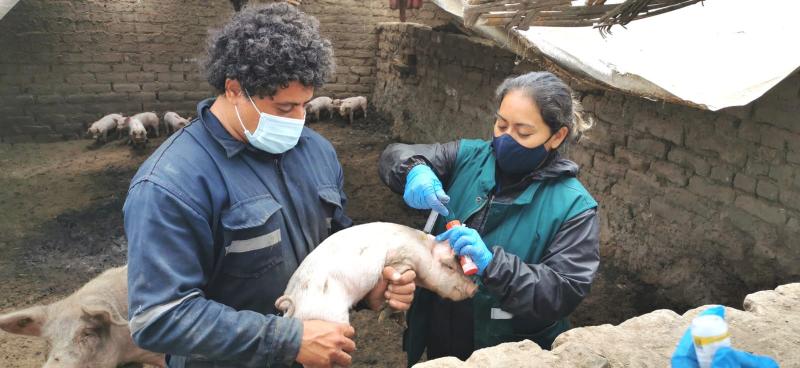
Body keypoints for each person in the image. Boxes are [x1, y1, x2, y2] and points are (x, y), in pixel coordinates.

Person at [123, 4, 415, 367]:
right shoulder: (171, 184)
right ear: (233, 89)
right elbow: (158, 318)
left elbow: (338, 247)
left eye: (304, 106)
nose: (298, 120)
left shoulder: (317, 153)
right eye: (283, 108)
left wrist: (372, 287)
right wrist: (289, 339)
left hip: (314, 353)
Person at [379, 71, 601, 365]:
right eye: (501, 124)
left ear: (557, 136)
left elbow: (561, 291)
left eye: (523, 132)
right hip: (441, 325)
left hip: (505, 343)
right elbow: (397, 153)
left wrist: (494, 265)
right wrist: (412, 171)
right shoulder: (468, 157)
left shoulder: (574, 207)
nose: (506, 139)